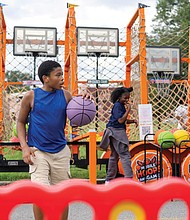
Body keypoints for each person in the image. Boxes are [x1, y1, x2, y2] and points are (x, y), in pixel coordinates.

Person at [16, 60, 90, 220]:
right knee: (40, 195)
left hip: (60, 152)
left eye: (62, 74)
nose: (62, 78)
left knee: (62, 195)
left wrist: (85, 102)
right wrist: (24, 147)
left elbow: (76, 120)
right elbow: (20, 122)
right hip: (38, 152)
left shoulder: (66, 95)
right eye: (58, 75)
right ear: (46, 78)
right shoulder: (31, 96)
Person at [99, 86, 138, 184]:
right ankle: (129, 179)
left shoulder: (119, 106)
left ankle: (109, 179)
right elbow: (121, 120)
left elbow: (122, 120)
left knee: (114, 155)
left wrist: (132, 121)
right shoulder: (117, 106)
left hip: (113, 131)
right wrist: (128, 110)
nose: (127, 100)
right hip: (117, 132)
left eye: (128, 98)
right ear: (119, 97)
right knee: (125, 155)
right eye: (125, 98)